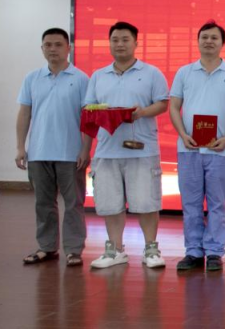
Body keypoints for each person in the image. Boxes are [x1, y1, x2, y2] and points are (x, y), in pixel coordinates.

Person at [84, 21, 170, 269]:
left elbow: (162, 104)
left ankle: (151, 249)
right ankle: (115, 250)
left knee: (147, 202)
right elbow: (89, 107)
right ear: (109, 43)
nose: (120, 44)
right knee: (109, 203)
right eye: (115, 40)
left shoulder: (151, 73)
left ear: (136, 43)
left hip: (142, 149)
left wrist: (140, 113)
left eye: (125, 40)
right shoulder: (99, 75)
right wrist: (102, 112)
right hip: (106, 150)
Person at [168, 20, 225, 271]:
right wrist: (183, 135)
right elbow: (174, 106)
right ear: (198, 41)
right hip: (189, 148)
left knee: (216, 203)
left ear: (222, 43)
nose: (209, 41)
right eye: (204, 37)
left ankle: (214, 251)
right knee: (190, 203)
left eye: (214, 38)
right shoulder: (184, 72)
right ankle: (193, 250)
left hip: (219, 149)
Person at [16, 27, 90, 267]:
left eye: (58, 44)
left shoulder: (81, 79)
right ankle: (47, 248)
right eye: (48, 45)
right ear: (42, 49)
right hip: (38, 153)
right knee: (43, 204)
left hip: (70, 153)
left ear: (68, 48)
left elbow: (88, 118)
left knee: (74, 204)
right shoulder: (32, 78)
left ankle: (73, 250)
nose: (53, 49)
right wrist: (20, 147)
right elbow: (24, 113)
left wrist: (85, 149)